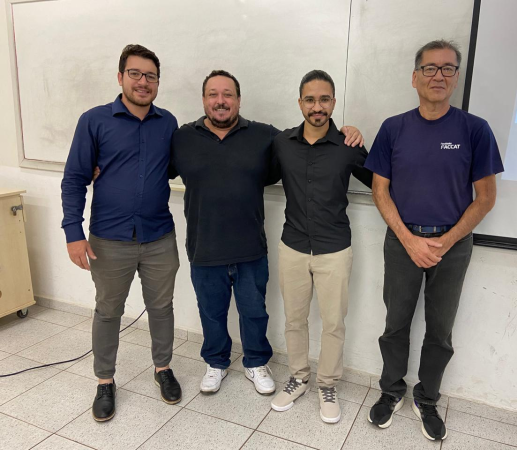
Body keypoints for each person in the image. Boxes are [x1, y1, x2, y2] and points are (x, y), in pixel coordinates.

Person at [169, 70, 363, 396]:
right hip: (204, 246)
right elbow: (154, 169)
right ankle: (216, 363)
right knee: (211, 313)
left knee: (255, 312)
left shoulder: (264, 136)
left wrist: (349, 130)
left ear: (239, 100)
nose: (221, 101)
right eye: (213, 94)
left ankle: (256, 362)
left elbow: (311, 145)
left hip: (251, 248)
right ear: (203, 100)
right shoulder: (182, 138)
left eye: (228, 94)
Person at [365, 40, 504, 440]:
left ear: (457, 77)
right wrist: (409, 240)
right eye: (430, 68)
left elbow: (485, 198)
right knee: (395, 323)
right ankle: (391, 391)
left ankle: (427, 398)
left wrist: (446, 241)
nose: (438, 76)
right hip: (402, 242)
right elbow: (379, 190)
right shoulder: (393, 128)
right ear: (415, 77)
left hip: (453, 247)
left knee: (440, 329)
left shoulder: (475, 130)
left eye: (447, 68)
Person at [61, 44, 182, 422]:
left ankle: (163, 368)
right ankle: (104, 380)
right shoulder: (94, 121)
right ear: (120, 77)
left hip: (159, 236)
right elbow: (74, 179)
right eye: (135, 74)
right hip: (109, 239)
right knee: (108, 310)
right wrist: (73, 232)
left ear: (158, 82)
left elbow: (174, 168)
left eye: (151, 76)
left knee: (161, 307)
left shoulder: (168, 123)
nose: (143, 82)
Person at [269, 70, 372, 423]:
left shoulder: (348, 145)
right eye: (310, 100)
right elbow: (258, 174)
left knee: (333, 323)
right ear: (300, 103)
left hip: (334, 250)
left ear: (333, 102)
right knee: (294, 319)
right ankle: (298, 377)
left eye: (324, 99)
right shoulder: (282, 143)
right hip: (293, 246)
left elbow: (380, 181)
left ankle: (327, 384)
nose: (317, 107)